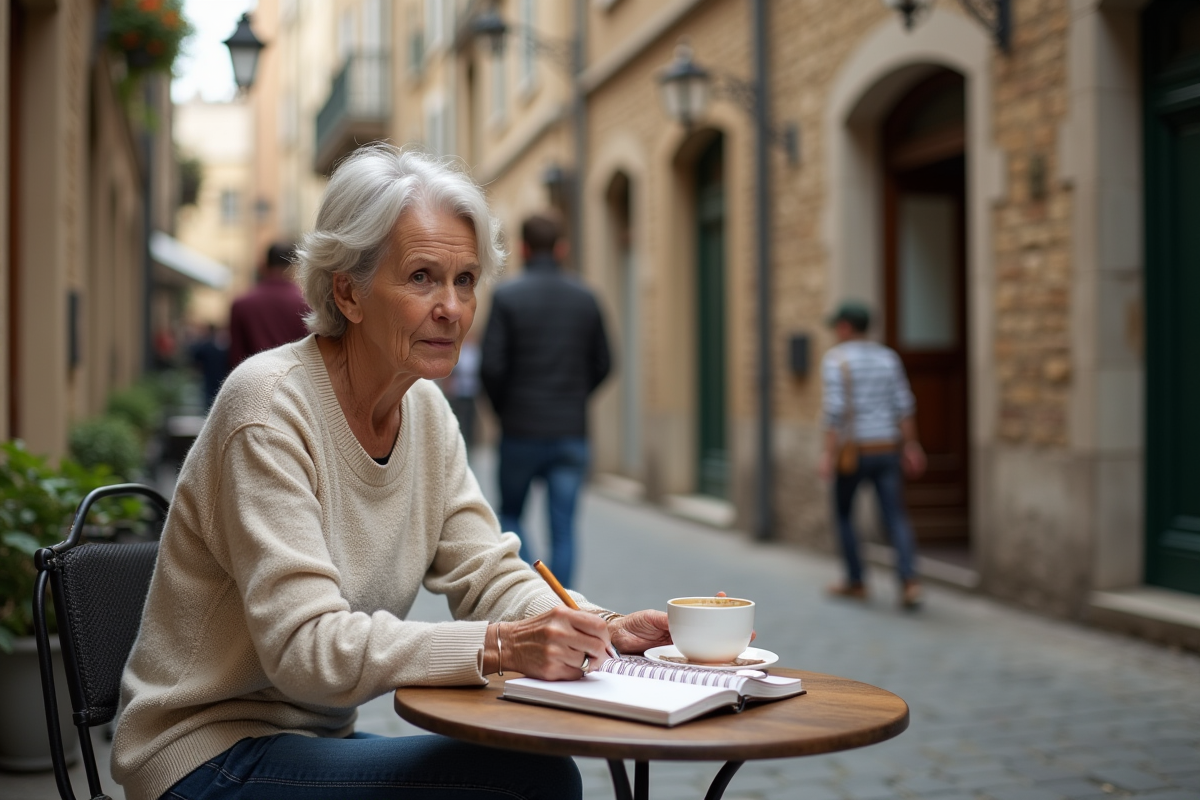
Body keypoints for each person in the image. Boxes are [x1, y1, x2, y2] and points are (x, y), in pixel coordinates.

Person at [111, 145, 670, 800]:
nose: (453, 308)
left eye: (465, 281)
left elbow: (485, 570)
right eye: (423, 277)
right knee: (525, 784)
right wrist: (500, 648)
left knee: (533, 769)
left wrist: (594, 627)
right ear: (348, 290)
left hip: (312, 742)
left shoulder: (425, 410)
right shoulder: (267, 409)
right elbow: (306, 650)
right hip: (205, 754)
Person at [480, 212, 611, 590]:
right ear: (562, 248)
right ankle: (563, 604)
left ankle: (532, 591)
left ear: (521, 248)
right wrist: (574, 396)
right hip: (571, 431)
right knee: (565, 527)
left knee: (510, 516)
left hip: (520, 429)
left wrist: (506, 408)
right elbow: (605, 363)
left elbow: (491, 367)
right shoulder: (586, 298)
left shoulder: (507, 296)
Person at [818, 300, 927, 609]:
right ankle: (909, 581)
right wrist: (911, 445)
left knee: (843, 514)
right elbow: (904, 404)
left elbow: (835, 412)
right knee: (895, 516)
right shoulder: (888, 358)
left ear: (844, 327)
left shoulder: (836, 360)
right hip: (888, 448)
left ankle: (856, 581)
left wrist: (827, 455)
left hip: (854, 452)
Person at [227, 241, 311, 369]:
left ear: (265, 266)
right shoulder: (307, 304)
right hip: (295, 383)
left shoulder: (241, 304)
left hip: (251, 380)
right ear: (294, 267)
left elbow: (236, 357)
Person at [187, 322, 229, 410]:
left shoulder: (208, 346)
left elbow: (196, 358)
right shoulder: (213, 346)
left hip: (213, 379)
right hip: (215, 379)